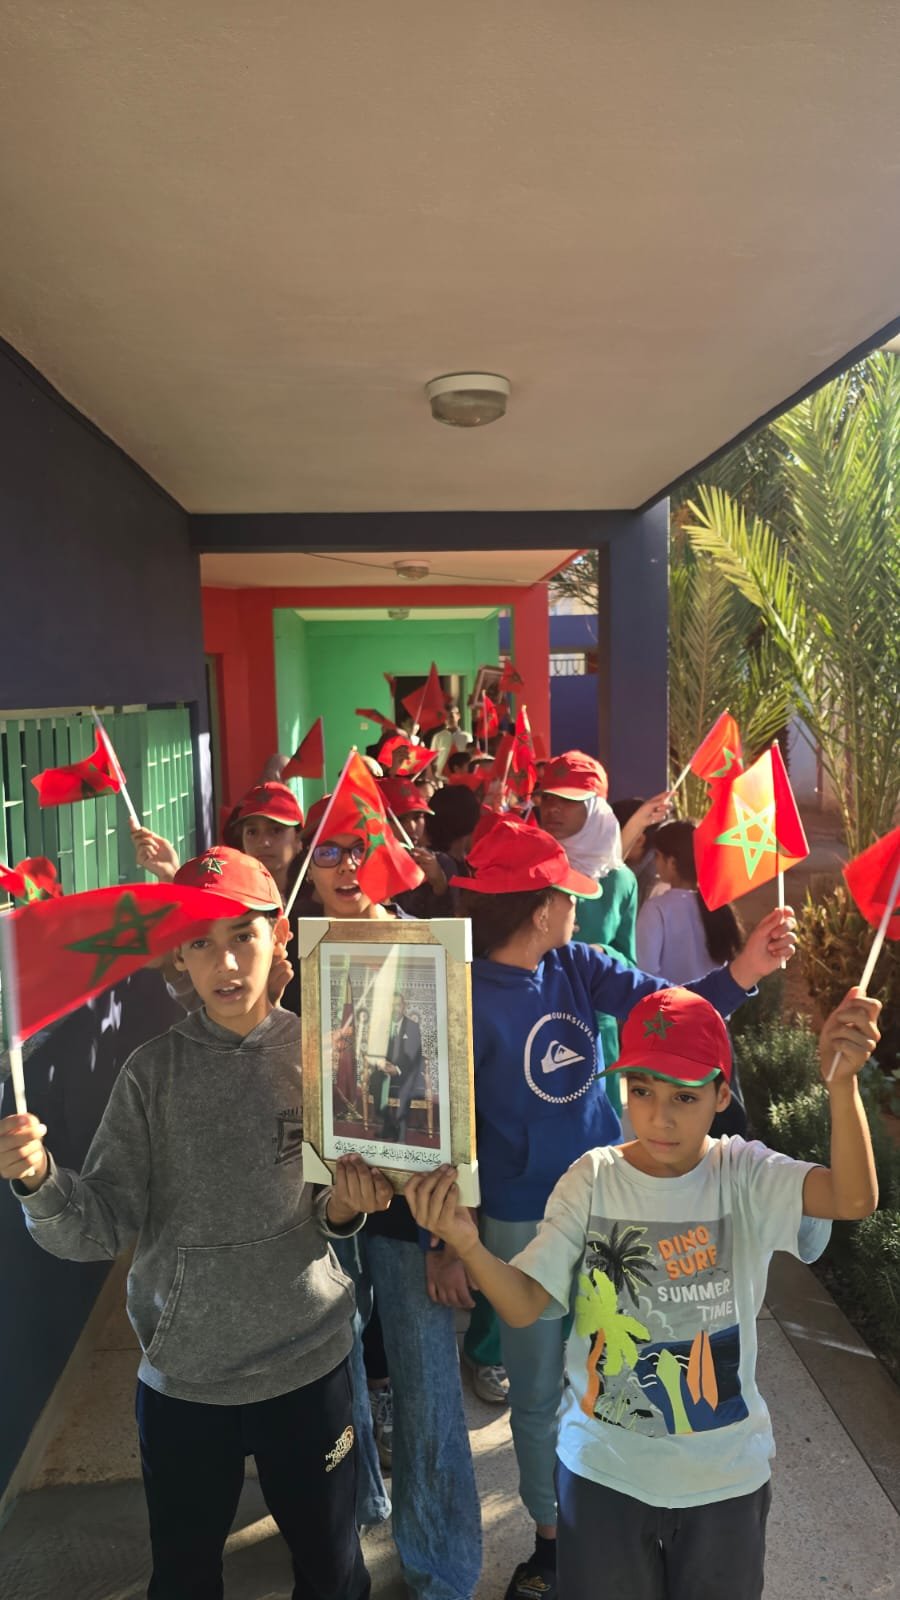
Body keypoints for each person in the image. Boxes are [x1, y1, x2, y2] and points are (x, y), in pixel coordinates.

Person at [0, 846, 394, 1600]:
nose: (227, 962)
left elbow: (329, 1213)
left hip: (308, 1367)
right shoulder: (150, 1074)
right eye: (202, 943)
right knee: (183, 1578)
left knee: (333, 1572)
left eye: (243, 935)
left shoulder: (325, 1055)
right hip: (186, 1382)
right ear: (178, 957)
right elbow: (98, 1225)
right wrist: (39, 1179)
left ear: (279, 935)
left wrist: (348, 1204)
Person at [407, 983, 880, 1600]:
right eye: (641, 1091)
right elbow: (524, 1305)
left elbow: (852, 1197)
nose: (660, 1117)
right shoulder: (591, 1178)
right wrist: (467, 1244)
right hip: (603, 1474)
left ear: (721, 1095)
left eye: (685, 1095)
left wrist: (842, 1086)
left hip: (724, 1478)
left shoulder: (745, 1173)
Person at [450, 816, 796, 1600]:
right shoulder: (459, 994)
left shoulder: (579, 965)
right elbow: (448, 1121)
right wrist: (450, 1243)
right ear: (541, 908)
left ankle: (626, 1520)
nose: (582, 904)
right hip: (517, 1217)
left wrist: (743, 970)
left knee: (624, 1375)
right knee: (536, 1393)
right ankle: (552, 1539)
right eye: (569, 895)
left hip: (613, 1208)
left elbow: (673, 1014)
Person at [295, 811, 483, 1600]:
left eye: (361, 849)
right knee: (334, 1381)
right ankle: (359, 1516)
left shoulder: (429, 949)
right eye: (329, 851)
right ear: (309, 865)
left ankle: (441, 1569)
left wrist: (449, 1239)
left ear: (387, 858)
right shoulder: (295, 958)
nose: (346, 866)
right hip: (325, 1211)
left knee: (428, 1387)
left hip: (416, 1219)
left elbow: (460, 1096)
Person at [540, 752, 637, 1116]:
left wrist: (603, 955)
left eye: (568, 800)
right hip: (533, 1018)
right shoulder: (529, 867)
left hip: (595, 1027)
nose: (553, 808)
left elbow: (630, 960)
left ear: (596, 807)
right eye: (547, 798)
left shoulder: (621, 880)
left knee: (598, 1133)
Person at [379, 775, 456, 918]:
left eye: (417, 817)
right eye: (400, 819)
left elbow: (452, 925)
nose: (412, 827)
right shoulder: (363, 868)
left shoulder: (442, 863)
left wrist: (440, 885)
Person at [430, 703, 470, 776]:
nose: (449, 719)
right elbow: (432, 759)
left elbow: (470, 756)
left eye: (451, 716)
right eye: (446, 716)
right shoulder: (438, 736)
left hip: (462, 775)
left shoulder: (466, 737)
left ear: (458, 716)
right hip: (442, 775)